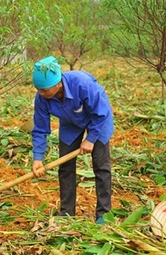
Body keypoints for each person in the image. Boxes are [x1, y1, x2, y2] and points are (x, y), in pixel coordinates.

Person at [30, 56, 113, 224]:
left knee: (101, 166)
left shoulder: (82, 84)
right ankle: (67, 211)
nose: (41, 93)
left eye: (44, 90)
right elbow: (40, 129)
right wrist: (38, 157)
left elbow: (101, 112)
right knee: (65, 166)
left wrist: (90, 139)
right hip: (70, 123)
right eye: (38, 89)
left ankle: (104, 213)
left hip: (98, 120)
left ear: (58, 83)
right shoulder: (42, 99)